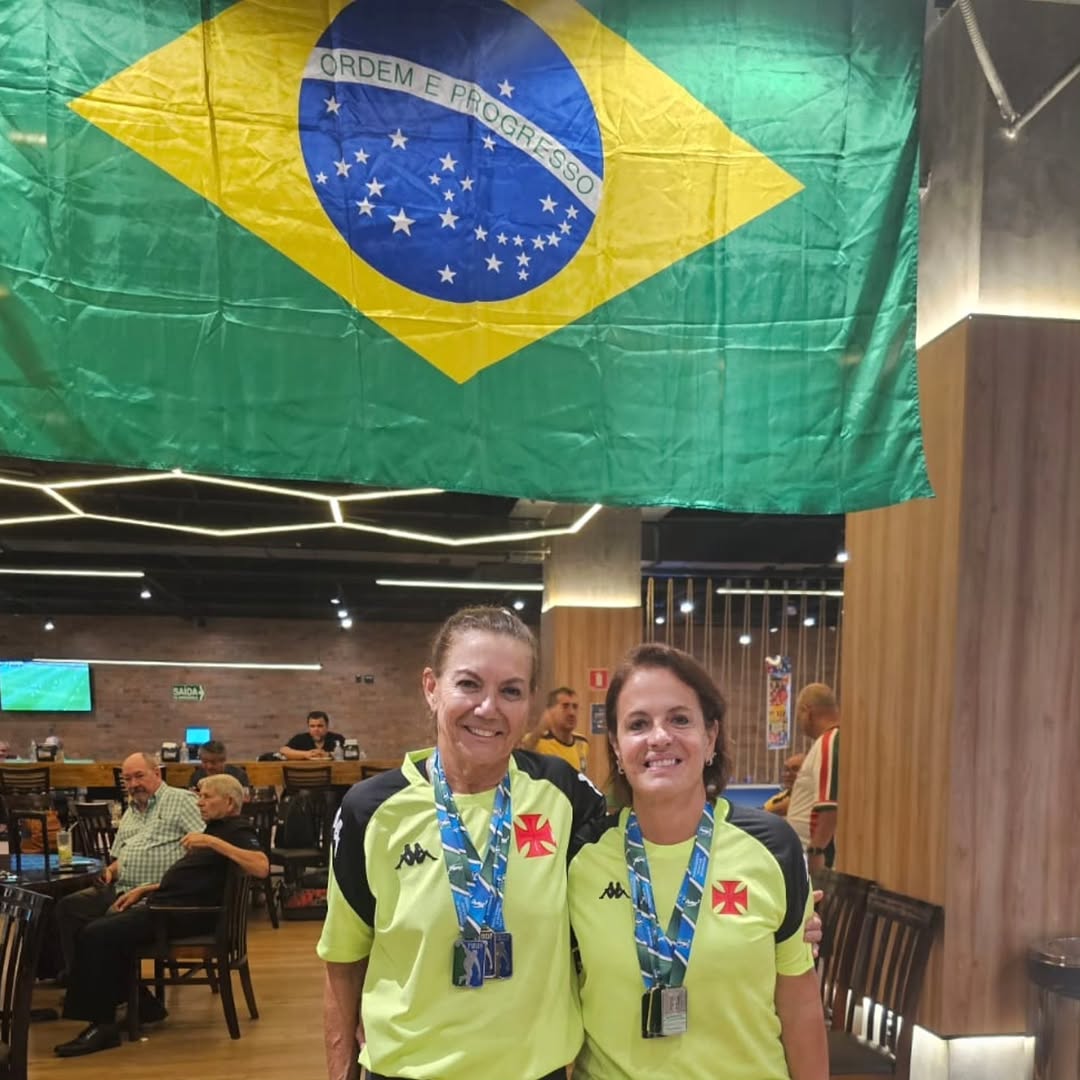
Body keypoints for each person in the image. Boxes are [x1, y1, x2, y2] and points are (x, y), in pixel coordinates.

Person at [318, 606, 609, 1080]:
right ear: (431, 687)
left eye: (510, 691)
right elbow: (343, 958)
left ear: (529, 703)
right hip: (406, 1069)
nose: (488, 708)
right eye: (469, 684)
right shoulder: (371, 810)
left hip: (535, 1071)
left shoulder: (562, 792)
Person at [568, 644, 828, 1080]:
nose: (659, 737)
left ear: (710, 737)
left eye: (679, 719)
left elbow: (800, 1005)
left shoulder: (772, 847)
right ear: (616, 745)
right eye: (638, 724)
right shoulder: (581, 855)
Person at [52, 774, 269, 1057]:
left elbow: (261, 866)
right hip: (167, 907)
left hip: (180, 916)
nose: (199, 802)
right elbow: (198, 880)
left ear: (229, 803)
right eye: (199, 796)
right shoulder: (216, 828)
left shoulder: (236, 830)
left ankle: (103, 1027)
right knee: (101, 928)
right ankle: (142, 1007)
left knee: (96, 934)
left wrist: (212, 842)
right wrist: (146, 889)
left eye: (206, 797)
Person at [55, 751, 206, 978]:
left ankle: (121, 991)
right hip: (122, 887)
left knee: (101, 928)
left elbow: (205, 848)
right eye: (127, 779)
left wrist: (166, 884)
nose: (133, 784)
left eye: (139, 776)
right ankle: (80, 979)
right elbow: (121, 857)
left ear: (157, 774)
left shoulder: (182, 801)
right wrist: (110, 871)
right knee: (68, 907)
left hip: (158, 897)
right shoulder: (131, 810)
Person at [786, 683, 840, 873]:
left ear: (807, 711)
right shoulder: (827, 742)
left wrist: (816, 850)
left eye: (799, 717)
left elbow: (830, 805)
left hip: (818, 860)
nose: (800, 724)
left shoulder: (829, 741)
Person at [522, 687, 589, 773]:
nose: (572, 713)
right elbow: (520, 755)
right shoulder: (536, 740)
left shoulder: (582, 742)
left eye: (575, 707)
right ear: (550, 711)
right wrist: (540, 728)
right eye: (565, 706)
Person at [281, 710, 345, 760]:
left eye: (320, 726)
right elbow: (284, 750)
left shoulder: (337, 738)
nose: (316, 729)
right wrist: (306, 754)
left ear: (327, 726)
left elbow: (348, 753)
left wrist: (328, 754)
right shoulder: (300, 738)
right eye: (312, 726)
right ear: (308, 727)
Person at [763, 752, 805, 817]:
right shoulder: (781, 799)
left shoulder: (814, 799)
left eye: (795, 769)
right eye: (786, 769)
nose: (788, 774)